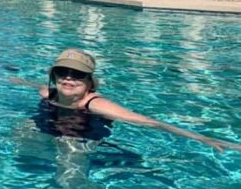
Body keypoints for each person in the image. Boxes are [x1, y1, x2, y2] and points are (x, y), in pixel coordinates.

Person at [34, 48, 241, 153]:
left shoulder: (96, 105)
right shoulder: (48, 94)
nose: (68, 78)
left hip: (83, 136)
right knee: (24, 129)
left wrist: (203, 139)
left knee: (70, 164)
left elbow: (150, 122)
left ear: (89, 82)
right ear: (55, 77)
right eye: (63, 72)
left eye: (77, 74)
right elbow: (35, 86)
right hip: (53, 129)